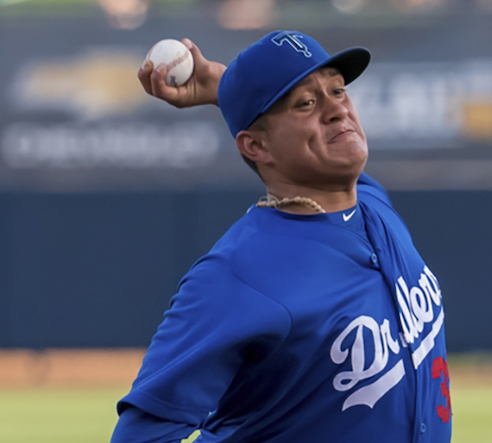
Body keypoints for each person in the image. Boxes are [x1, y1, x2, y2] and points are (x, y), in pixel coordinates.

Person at [111, 30, 451, 443]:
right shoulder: (238, 274)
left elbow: (297, 135)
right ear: (255, 146)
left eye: (338, 91)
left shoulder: (370, 203)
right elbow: (140, 436)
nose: (336, 110)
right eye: (307, 103)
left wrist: (224, 86)